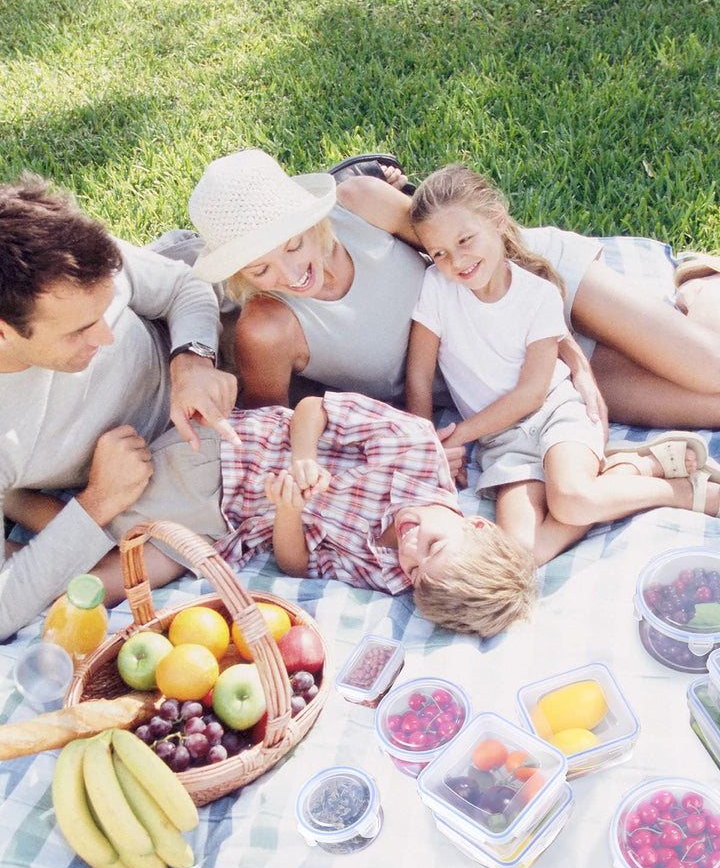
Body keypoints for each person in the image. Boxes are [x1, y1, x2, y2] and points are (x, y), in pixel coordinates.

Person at [185, 148, 720, 433]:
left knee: (711, 369)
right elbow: (271, 433)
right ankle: (697, 297)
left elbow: (470, 252)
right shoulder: (267, 330)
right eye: (260, 269)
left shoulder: (358, 201)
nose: (291, 272)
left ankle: (698, 285)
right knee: (711, 403)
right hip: (498, 365)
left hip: (530, 276)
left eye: (294, 244)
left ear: (311, 216)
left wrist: (574, 356)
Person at [404, 164, 720, 564]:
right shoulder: (436, 287)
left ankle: (678, 487)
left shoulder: (537, 294)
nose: (457, 261)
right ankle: (628, 470)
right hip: (502, 443)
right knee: (520, 553)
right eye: (440, 252)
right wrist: (426, 445)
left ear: (498, 220)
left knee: (572, 500)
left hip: (554, 414)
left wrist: (457, 436)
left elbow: (532, 393)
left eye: (465, 239)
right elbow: (418, 376)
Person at [0, 174, 238, 640]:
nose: (106, 337)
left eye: (105, 312)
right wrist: (98, 501)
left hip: (211, 357)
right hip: (158, 476)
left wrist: (192, 359)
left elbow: (183, 287)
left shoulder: (72, 260)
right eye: (80, 331)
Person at [105, 391, 539, 639]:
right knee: (108, 531)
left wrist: (288, 513)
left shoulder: (391, 576)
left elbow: (298, 564)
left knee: (124, 576)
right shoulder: (414, 447)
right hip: (228, 458)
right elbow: (313, 408)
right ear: (475, 523)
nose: (408, 549)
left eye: (415, 569)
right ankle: (49, 507)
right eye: (432, 545)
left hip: (229, 528)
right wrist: (304, 461)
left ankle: (57, 512)